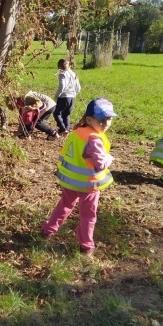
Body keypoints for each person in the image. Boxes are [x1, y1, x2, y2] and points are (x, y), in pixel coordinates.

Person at [41, 98, 118, 256]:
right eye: (101, 120)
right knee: (88, 215)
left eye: (109, 119)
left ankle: (48, 230)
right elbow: (101, 164)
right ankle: (86, 245)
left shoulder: (78, 132)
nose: (106, 124)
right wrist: (110, 157)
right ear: (89, 119)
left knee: (64, 205)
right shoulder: (94, 139)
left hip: (69, 181)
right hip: (88, 185)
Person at [53, 58, 82, 135]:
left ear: (59, 66)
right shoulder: (74, 74)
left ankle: (63, 128)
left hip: (64, 97)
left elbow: (62, 86)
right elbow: (78, 87)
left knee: (57, 113)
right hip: (72, 97)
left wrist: (57, 96)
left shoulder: (62, 74)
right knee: (66, 114)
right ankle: (67, 129)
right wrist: (74, 94)